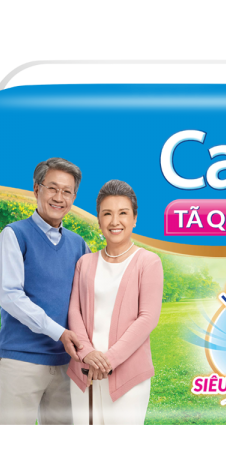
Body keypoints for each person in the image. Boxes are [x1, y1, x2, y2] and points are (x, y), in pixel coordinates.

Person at [0, 158, 91, 426]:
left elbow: (88, 298)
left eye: (67, 191)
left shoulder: (78, 244)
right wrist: (59, 332)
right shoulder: (14, 235)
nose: (59, 197)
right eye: (53, 188)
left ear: (73, 198)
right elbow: (11, 295)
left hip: (66, 362)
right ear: (37, 189)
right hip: (22, 360)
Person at [67, 181, 164, 426]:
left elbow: (148, 318)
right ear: (99, 220)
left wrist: (107, 360)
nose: (115, 221)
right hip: (84, 372)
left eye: (123, 213)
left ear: (135, 219)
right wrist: (87, 354)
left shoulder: (148, 262)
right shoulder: (85, 263)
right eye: (107, 213)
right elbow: (74, 311)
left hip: (128, 376)